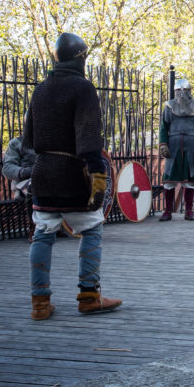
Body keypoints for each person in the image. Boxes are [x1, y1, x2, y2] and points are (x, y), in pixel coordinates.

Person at [23, 32, 122, 320]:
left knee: (42, 234)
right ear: (80, 58)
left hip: (43, 172)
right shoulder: (83, 88)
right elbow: (88, 136)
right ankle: (89, 296)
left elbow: (29, 138)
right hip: (72, 173)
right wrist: (98, 173)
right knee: (91, 229)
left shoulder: (40, 90)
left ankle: (40, 304)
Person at [158, 77, 194, 222]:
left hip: (191, 146)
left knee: (189, 180)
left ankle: (189, 211)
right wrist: (163, 144)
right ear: (175, 91)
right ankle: (167, 211)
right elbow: (164, 127)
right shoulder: (169, 106)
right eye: (179, 90)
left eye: (185, 90)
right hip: (173, 146)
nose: (182, 93)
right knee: (169, 180)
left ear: (190, 91)